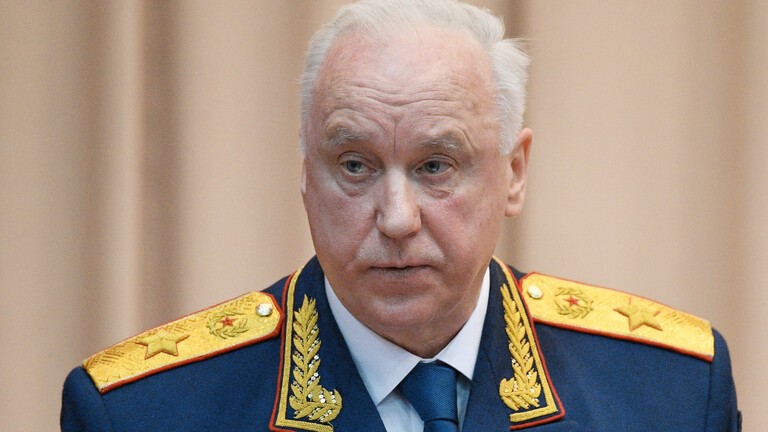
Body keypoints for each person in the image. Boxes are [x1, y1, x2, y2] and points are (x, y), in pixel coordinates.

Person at [61, 1, 740, 431]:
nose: (395, 218)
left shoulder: (669, 394)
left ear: (513, 173)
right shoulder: (143, 412)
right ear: (306, 174)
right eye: (355, 165)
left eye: (435, 166)